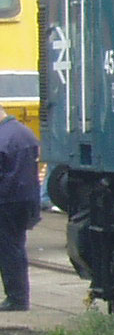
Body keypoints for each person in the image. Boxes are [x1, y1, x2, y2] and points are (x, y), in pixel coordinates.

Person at [0, 111, 38, 312]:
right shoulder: (25, 133)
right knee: (16, 247)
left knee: (8, 251)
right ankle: (19, 296)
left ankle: (17, 298)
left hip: (6, 202)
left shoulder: (2, 138)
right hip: (25, 200)